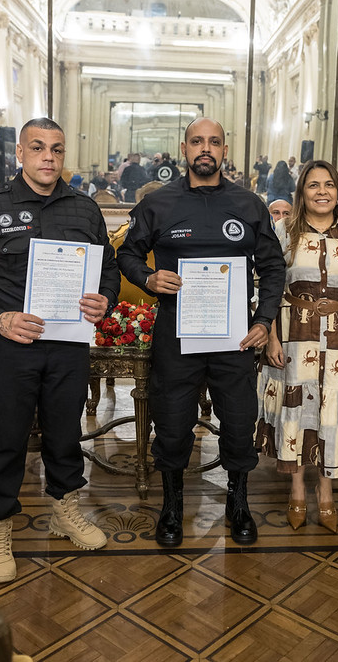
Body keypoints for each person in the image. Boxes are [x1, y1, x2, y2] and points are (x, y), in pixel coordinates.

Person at [0, 117, 120, 584]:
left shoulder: (85, 209)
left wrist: (104, 298)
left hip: (67, 348)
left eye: (57, 149)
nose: (49, 156)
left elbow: (107, 269)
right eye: (38, 147)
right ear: (20, 155)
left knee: (65, 435)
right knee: (6, 441)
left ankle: (65, 512)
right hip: (10, 347)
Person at [117, 117, 286, 547]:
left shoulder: (250, 205)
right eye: (197, 141)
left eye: (213, 142)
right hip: (177, 336)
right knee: (172, 425)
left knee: (237, 422)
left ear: (224, 150)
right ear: (184, 148)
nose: (205, 149)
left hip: (235, 338)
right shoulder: (159, 204)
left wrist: (264, 321)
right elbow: (127, 254)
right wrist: (150, 278)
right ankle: (172, 506)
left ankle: (239, 500)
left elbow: (271, 267)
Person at [257, 160, 338, 533]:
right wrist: (271, 335)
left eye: (328, 185)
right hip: (294, 334)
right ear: (301, 192)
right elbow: (269, 286)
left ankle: (326, 492)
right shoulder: (282, 231)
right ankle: (296, 488)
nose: (322, 191)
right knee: (297, 409)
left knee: (332, 413)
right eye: (313, 185)